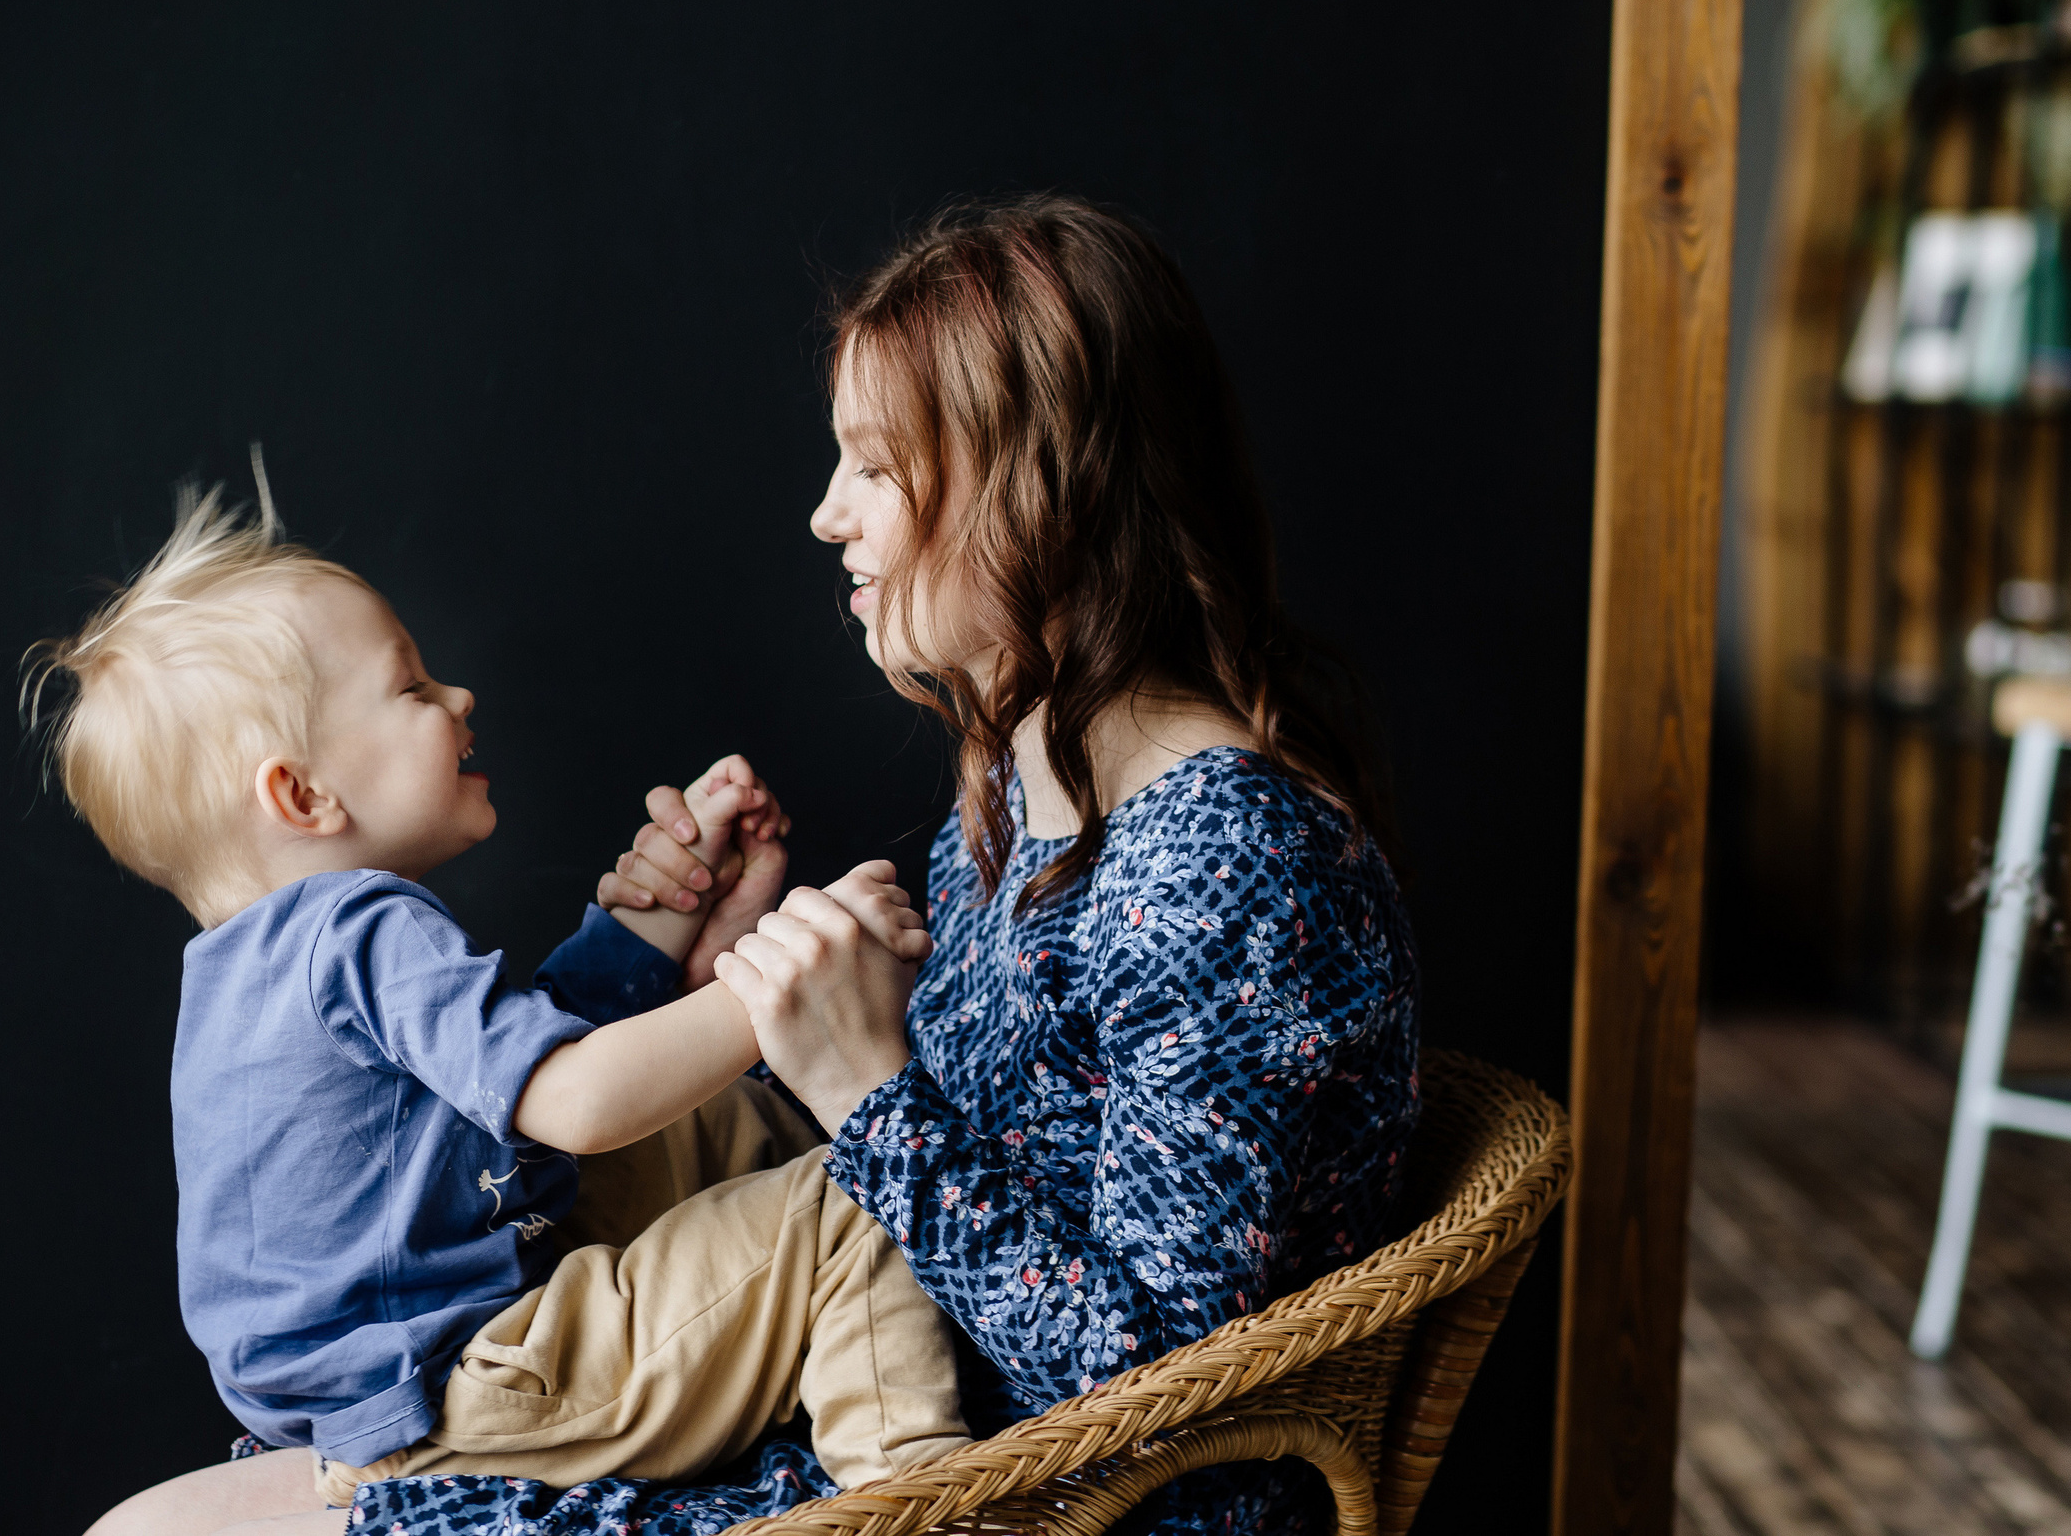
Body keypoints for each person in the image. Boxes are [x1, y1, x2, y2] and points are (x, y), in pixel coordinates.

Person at [342, 194, 1423, 1536]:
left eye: (873, 463)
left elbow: (1165, 1399)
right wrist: (727, 970)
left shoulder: (1228, 861)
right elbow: (945, 1185)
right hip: (883, 1439)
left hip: (1021, 1503)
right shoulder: (1026, 787)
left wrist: (864, 1083)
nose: (825, 514)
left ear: (1045, 487)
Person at [28, 485, 969, 1536]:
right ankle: (923, 1497)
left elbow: (502, 1092)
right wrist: (783, 977)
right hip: (468, 1392)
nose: (458, 696)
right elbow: (574, 1104)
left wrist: (657, 926)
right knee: (856, 1200)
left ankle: (785, 1327)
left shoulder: (249, 968)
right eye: (411, 687)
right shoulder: (358, 925)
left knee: (699, 1121)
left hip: (374, 1404)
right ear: (302, 797)